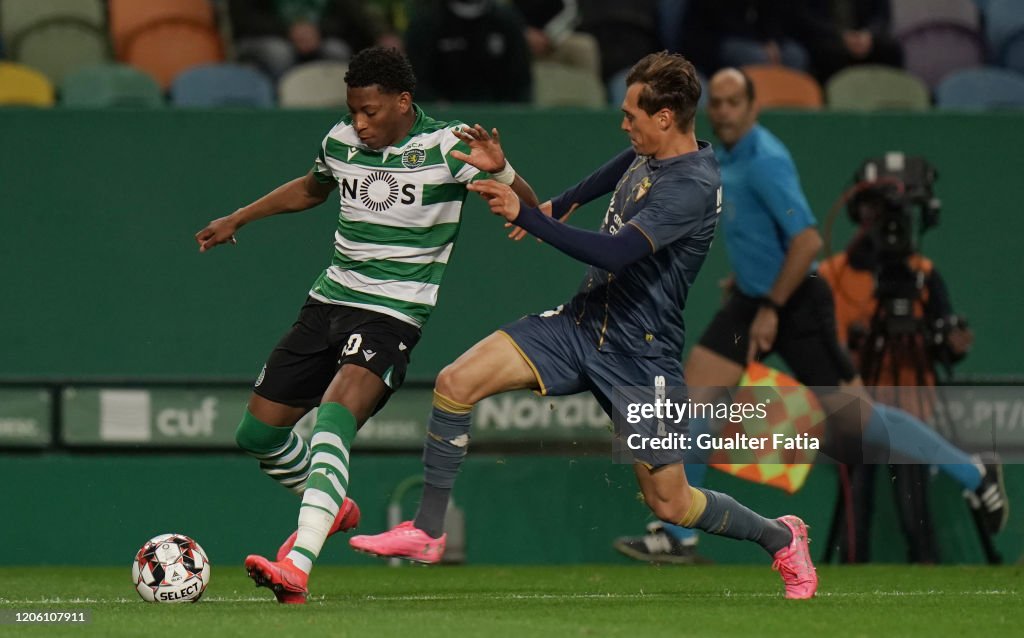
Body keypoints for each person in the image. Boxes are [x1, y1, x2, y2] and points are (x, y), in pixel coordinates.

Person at [350, 51, 820, 600]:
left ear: (665, 116)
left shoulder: (690, 185)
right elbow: (620, 165)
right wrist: (563, 201)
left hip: (641, 356)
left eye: (632, 115)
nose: (623, 124)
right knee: (456, 382)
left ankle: (780, 537)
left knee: (671, 502)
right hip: (580, 326)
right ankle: (427, 531)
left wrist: (525, 215)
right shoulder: (654, 150)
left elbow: (620, 252)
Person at [611, 68, 1007, 564]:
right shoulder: (720, 157)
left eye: (736, 103)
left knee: (857, 419)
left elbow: (808, 242)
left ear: (753, 108)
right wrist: (749, 285)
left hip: (795, 301)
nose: (726, 112)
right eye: (720, 103)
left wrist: (773, 307)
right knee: (694, 398)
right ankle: (681, 535)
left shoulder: (768, 160)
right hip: (755, 297)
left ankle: (974, 471)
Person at [194, 47, 538, 604]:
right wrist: (239, 217)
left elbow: (529, 205)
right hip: (326, 304)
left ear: (404, 102)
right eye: (354, 110)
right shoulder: (340, 142)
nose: (360, 122)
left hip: (392, 314)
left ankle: (297, 567)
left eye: (371, 111)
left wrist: (502, 170)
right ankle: (333, 506)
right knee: (257, 435)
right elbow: (312, 188)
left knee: (334, 415)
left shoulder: (449, 146)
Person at [229, 0, 398, 80]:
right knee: (279, 53)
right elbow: (243, 19)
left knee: (337, 50)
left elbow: (348, 16)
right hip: (263, 38)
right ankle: (277, 112)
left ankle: (340, 117)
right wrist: (289, 31)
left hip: (318, 37)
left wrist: (317, 31)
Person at [404, 0, 532, 103]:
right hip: (441, 124)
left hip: (500, 121)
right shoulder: (426, 23)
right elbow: (415, 81)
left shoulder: (507, 21)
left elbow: (521, 82)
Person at [793, 0, 903, 83]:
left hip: (865, 37)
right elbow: (806, 17)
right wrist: (841, 35)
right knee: (826, 53)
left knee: (891, 49)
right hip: (828, 37)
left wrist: (869, 34)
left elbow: (882, 16)